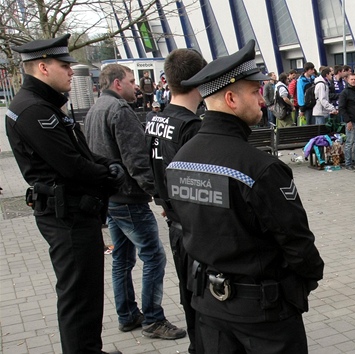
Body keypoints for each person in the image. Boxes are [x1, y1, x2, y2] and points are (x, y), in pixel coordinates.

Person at [165, 39, 324, 353]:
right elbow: (297, 243)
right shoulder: (261, 168)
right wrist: (305, 279)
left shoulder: (180, 159)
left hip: (209, 309)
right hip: (263, 314)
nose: (262, 101)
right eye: (255, 92)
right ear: (230, 98)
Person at [5, 34, 124, 354]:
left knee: (85, 296)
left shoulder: (41, 105)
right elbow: (71, 166)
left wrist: (107, 166)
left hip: (72, 213)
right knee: (79, 300)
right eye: (64, 65)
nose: (71, 71)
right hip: (67, 216)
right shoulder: (33, 110)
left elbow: (79, 154)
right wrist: (109, 174)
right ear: (43, 67)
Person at [84, 64, 186, 340]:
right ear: (118, 84)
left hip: (112, 198)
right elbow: (137, 161)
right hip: (128, 198)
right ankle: (153, 318)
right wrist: (160, 197)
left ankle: (127, 314)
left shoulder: (96, 109)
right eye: (131, 81)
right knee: (153, 256)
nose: (136, 86)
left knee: (122, 259)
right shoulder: (119, 111)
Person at [146, 48, 207, 353]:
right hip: (192, 226)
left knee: (187, 292)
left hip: (173, 221)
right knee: (201, 296)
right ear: (200, 79)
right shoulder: (192, 127)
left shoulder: (156, 120)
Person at [338, 72, 355, 171]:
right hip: (351, 122)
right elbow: (342, 108)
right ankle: (348, 163)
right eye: (352, 79)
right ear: (348, 80)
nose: (354, 81)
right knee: (349, 143)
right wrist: (348, 121)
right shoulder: (344, 93)